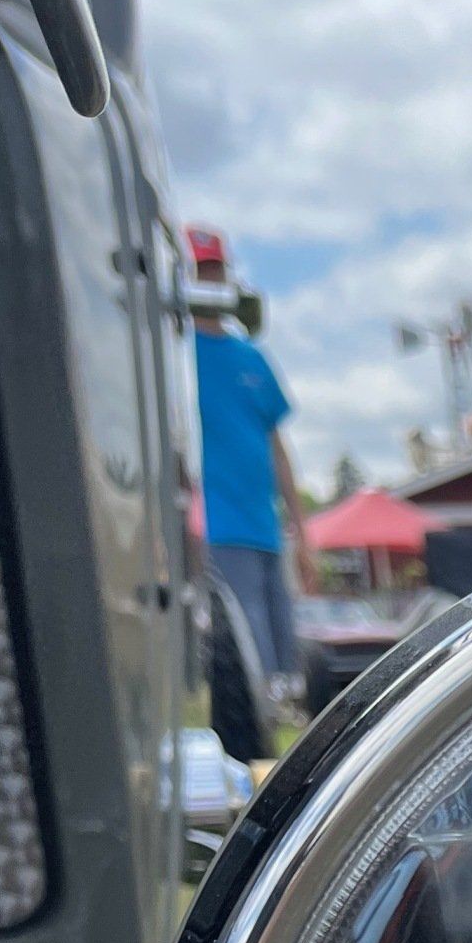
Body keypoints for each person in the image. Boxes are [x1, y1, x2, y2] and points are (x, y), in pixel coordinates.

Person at [186, 225, 316, 702]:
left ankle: (282, 708)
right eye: (200, 271)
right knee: (245, 645)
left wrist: (302, 532)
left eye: (215, 270)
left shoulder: (252, 358)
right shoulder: (178, 356)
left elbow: (278, 448)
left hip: (266, 528)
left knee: (284, 649)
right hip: (217, 529)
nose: (210, 280)